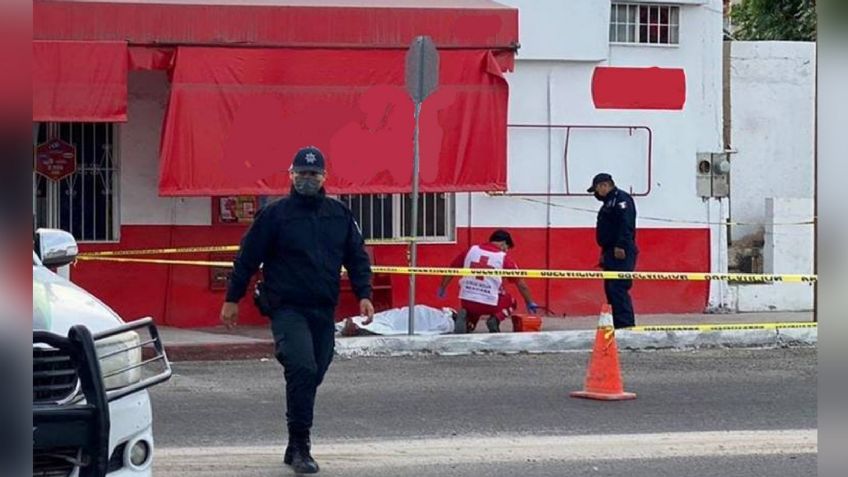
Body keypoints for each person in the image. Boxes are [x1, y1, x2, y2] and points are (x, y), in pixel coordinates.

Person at [220, 146, 374, 474]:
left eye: (313, 174)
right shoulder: (275, 216)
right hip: (287, 308)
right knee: (302, 369)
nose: (307, 179)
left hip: (322, 308)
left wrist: (364, 293)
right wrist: (232, 298)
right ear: (290, 175)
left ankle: (293, 444)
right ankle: (302, 447)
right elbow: (247, 258)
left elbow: (357, 257)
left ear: (324, 177)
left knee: (315, 370)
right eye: (301, 174)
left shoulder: (339, 215)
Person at [437, 229, 539, 333]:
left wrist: (443, 287)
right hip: (489, 303)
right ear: (503, 243)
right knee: (512, 302)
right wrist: (529, 302)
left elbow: (452, 269)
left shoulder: (471, 250)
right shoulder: (504, 258)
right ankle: (495, 319)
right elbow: (521, 284)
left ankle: (467, 320)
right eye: (507, 248)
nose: (506, 251)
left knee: (472, 316)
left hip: (467, 300)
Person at [588, 173, 638, 328]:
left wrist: (621, 245)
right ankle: (616, 324)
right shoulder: (610, 202)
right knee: (610, 289)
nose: (596, 194)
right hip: (610, 251)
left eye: (597, 189)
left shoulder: (621, 200)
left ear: (604, 185)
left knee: (618, 288)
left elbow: (626, 224)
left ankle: (625, 325)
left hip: (620, 252)